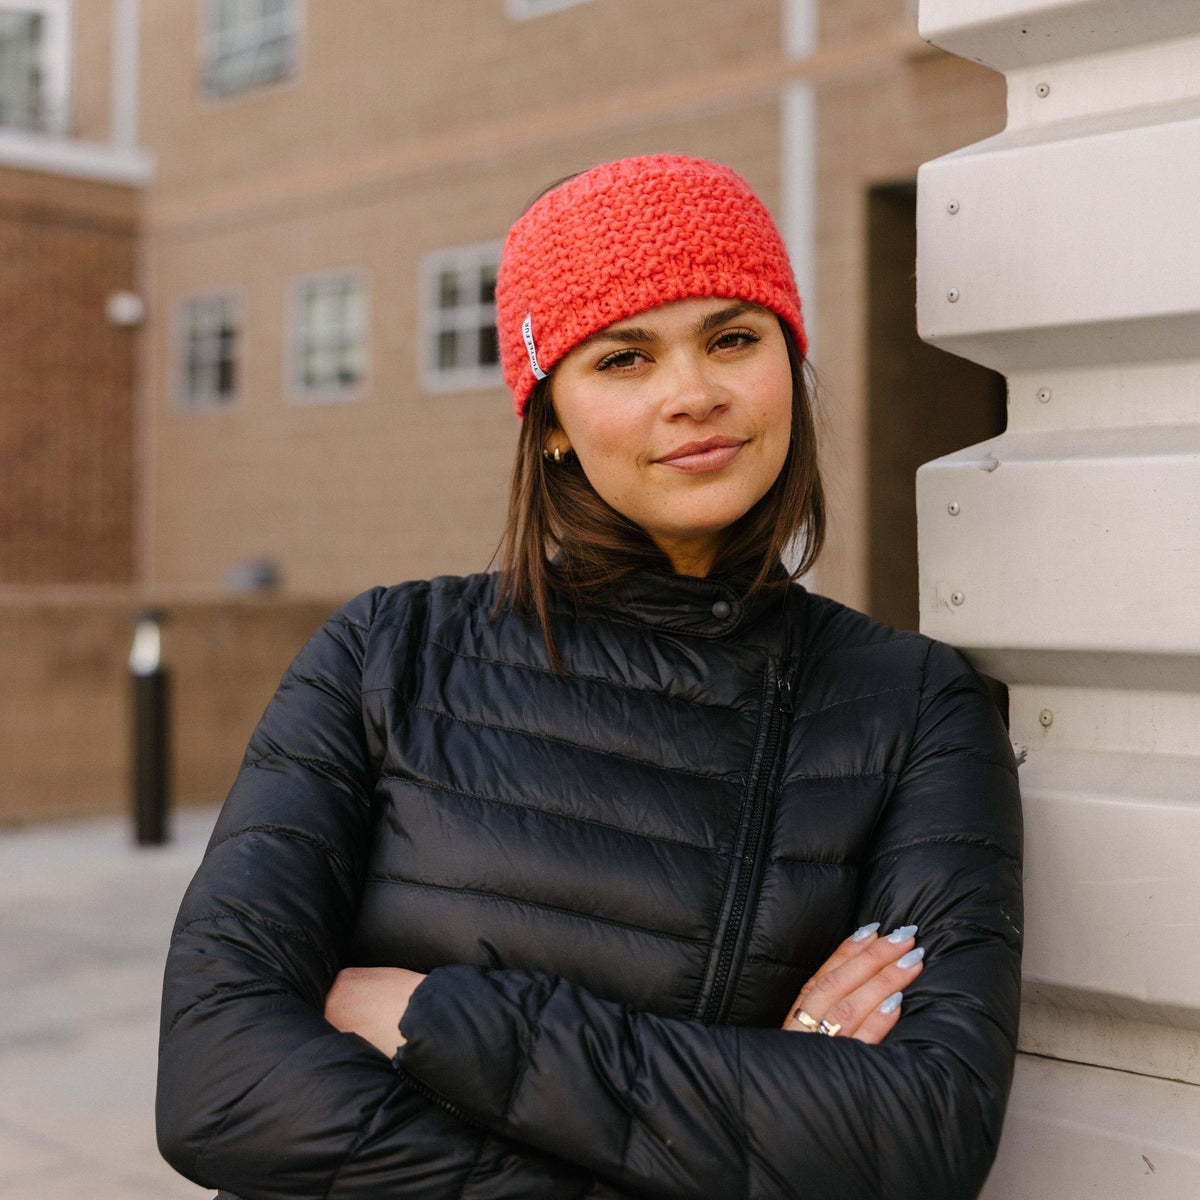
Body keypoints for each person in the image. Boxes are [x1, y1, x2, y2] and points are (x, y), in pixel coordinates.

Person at [157, 155, 1022, 1200]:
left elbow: (922, 1135)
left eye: (734, 339)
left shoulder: (912, 704)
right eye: (624, 359)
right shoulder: (385, 654)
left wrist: (448, 1024)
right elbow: (221, 1085)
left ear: (787, 366)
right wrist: (747, 1122)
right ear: (553, 421)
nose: (694, 395)